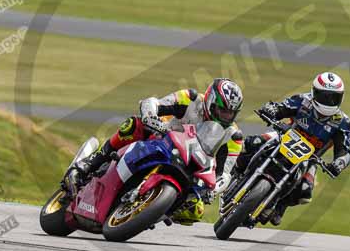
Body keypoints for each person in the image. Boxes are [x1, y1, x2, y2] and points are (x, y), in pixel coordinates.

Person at [64, 78, 244, 224]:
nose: (226, 117)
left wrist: (214, 189)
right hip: (162, 140)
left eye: (231, 113)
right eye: (222, 111)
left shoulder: (234, 135)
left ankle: (151, 211)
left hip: (191, 165)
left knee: (195, 211)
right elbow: (152, 103)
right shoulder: (190, 98)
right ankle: (90, 162)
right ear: (211, 101)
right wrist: (151, 117)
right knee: (133, 125)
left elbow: (225, 174)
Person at [234, 72, 350, 225]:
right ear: (315, 93)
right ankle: (233, 171)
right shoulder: (303, 101)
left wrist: (339, 163)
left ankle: (279, 205)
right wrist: (271, 110)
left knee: (305, 190)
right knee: (252, 143)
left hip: (309, 158)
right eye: (325, 97)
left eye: (334, 98)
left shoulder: (343, 123)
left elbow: (344, 151)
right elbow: (281, 108)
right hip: (284, 138)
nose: (329, 102)